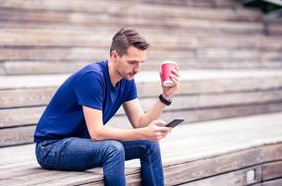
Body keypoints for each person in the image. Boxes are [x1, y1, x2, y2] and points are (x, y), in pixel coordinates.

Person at [34, 28, 180, 186]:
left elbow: (140, 122)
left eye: (140, 63)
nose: (137, 69)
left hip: (83, 144)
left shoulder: (127, 80)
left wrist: (166, 96)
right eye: (132, 62)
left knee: (150, 144)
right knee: (113, 149)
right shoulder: (92, 77)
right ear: (115, 56)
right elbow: (97, 133)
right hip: (50, 148)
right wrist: (144, 132)